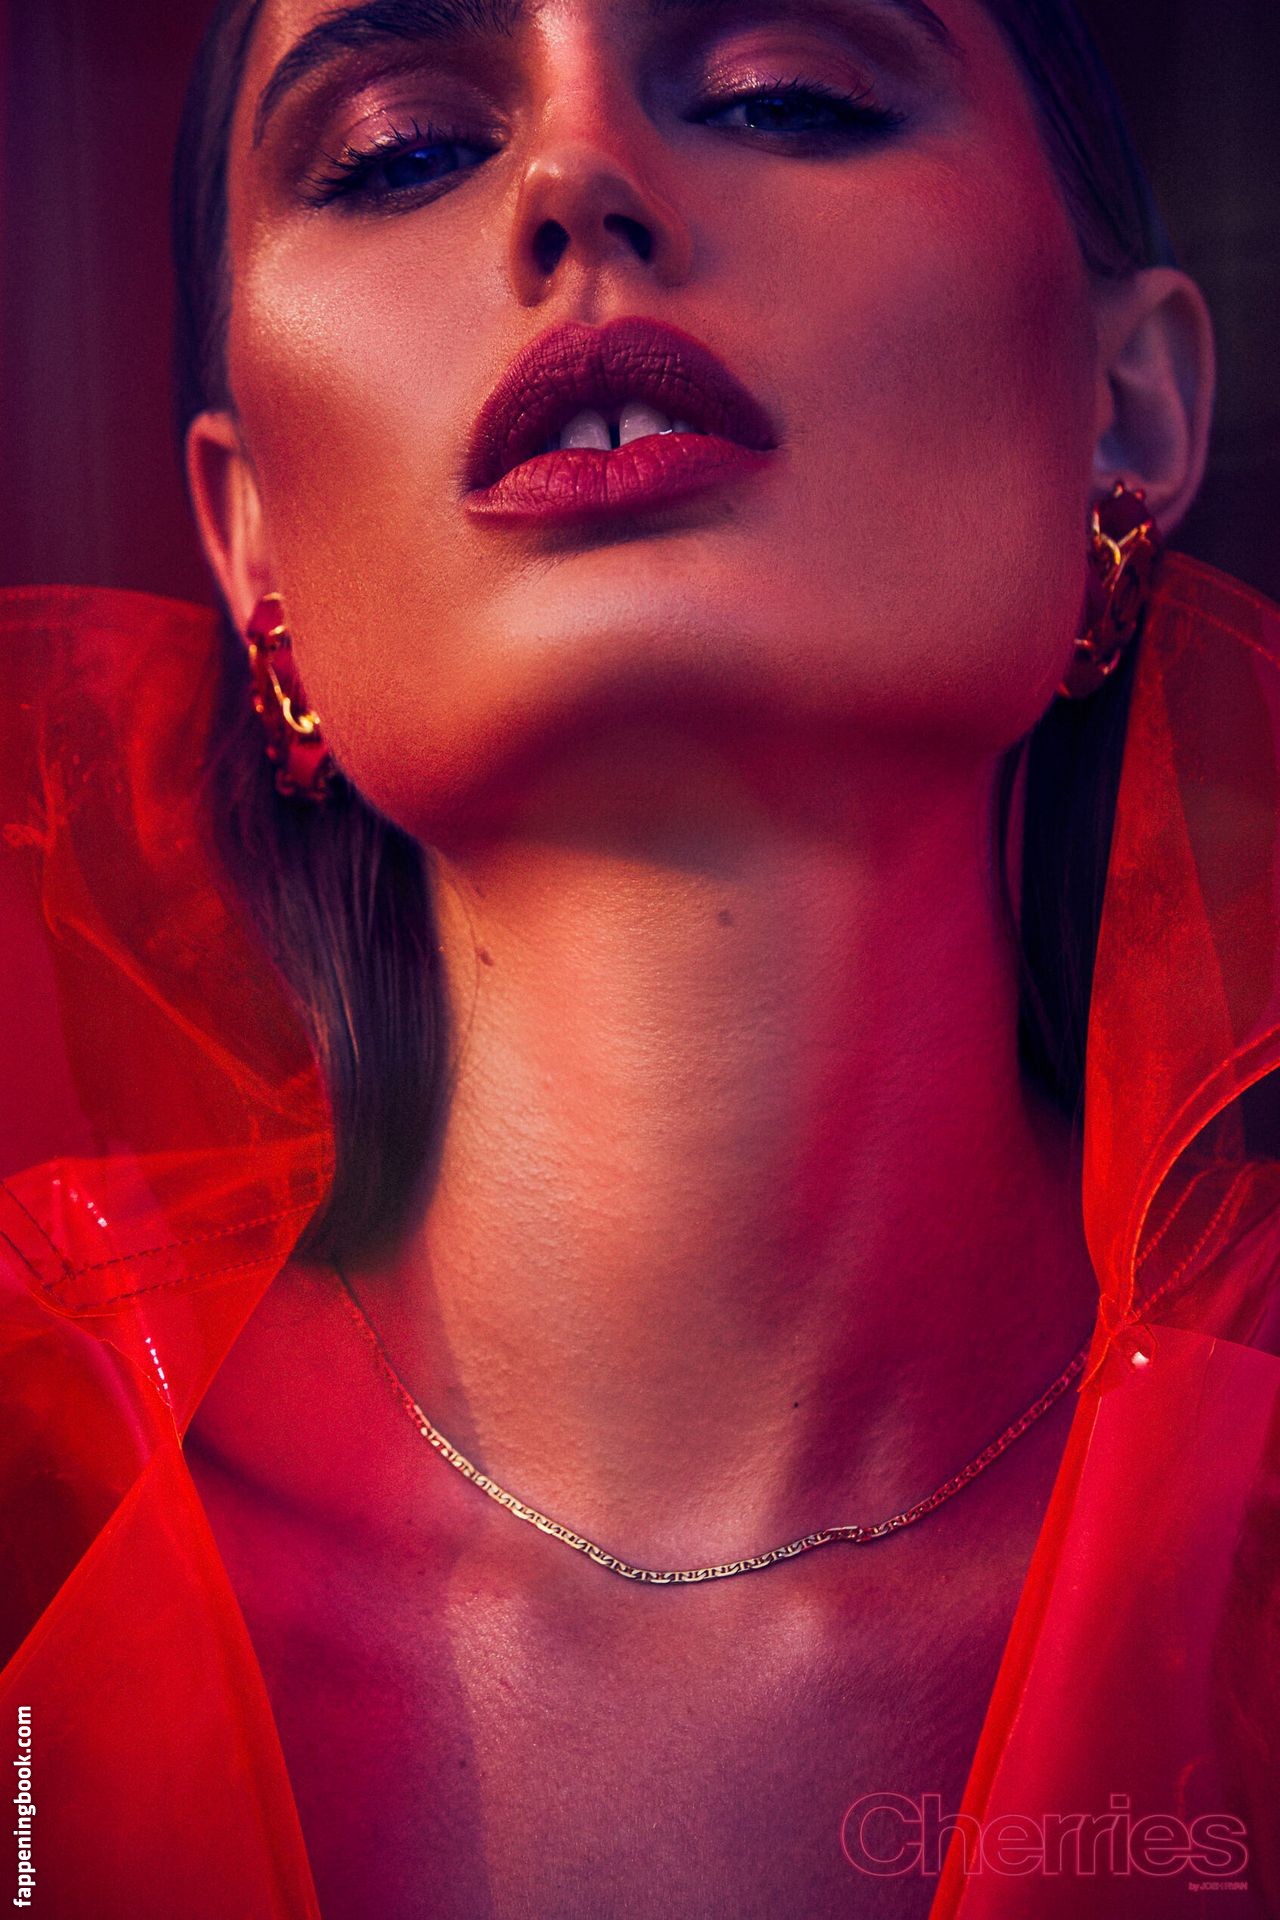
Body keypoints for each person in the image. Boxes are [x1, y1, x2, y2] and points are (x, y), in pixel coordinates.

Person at [1, 0, 1277, 1914]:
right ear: (250, 543)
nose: (575, 173)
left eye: (788, 94)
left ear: (1130, 406)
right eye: (401, 151)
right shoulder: (33, 1521)